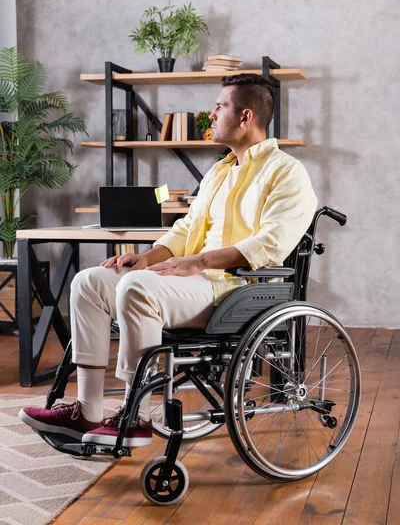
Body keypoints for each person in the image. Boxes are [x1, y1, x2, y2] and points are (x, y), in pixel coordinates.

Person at [19, 73, 317, 448]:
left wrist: (199, 262)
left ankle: (136, 415)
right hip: (193, 285)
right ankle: (87, 409)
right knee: (90, 282)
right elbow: (185, 229)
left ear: (245, 116)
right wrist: (146, 258)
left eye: (219, 106)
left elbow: (271, 243)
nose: (211, 115)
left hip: (236, 290)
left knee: (136, 287)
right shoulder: (220, 171)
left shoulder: (287, 172)